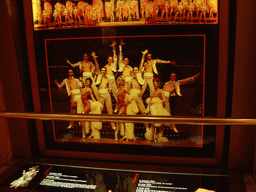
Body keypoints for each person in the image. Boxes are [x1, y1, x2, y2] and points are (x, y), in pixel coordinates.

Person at [145, 78, 178, 142]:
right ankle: (153, 136)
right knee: (153, 124)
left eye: (156, 83)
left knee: (159, 124)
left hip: (159, 108)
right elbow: (151, 100)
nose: (155, 85)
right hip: (153, 108)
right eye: (154, 83)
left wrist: (157, 101)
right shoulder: (152, 91)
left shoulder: (160, 91)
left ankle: (159, 137)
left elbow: (164, 99)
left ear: (158, 84)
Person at [115, 76, 131, 141]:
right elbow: (118, 100)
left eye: (122, 80)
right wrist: (116, 106)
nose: (120, 82)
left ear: (124, 82)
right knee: (122, 120)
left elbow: (131, 96)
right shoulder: (117, 90)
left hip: (124, 105)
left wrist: (127, 103)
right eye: (119, 80)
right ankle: (124, 135)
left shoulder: (124, 89)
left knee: (119, 117)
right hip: (119, 106)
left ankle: (117, 134)